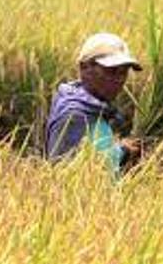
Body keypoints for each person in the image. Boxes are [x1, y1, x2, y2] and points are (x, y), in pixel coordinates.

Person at [44, 32, 142, 172]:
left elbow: (95, 155)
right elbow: (67, 175)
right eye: (111, 71)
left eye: (123, 72)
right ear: (84, 68)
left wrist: (123, 152)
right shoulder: (74, 117)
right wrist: (124, 152)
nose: (119, 79)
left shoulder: (94, 109)